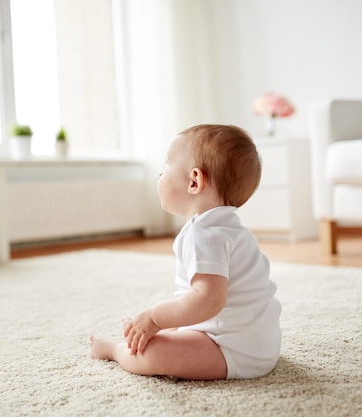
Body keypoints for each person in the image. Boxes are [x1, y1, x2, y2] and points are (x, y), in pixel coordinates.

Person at [90, 124, 282, 380]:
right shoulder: (230, 228)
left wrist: (155, 318)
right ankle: (138, 335)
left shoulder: (203, 234)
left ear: (194, 181)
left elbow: (208, 300)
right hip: (259, 345)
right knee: (160, 337)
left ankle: (115, 350)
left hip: (231, 350)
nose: (160, 173)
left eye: (167, 164)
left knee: (151, 353)